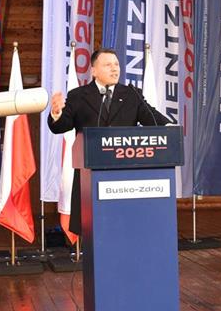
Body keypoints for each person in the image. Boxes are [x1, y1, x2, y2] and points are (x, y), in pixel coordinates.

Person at [47, 48, 169, 236]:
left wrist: (171, 128)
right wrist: (56, 114)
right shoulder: (78, 95)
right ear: (94, 71)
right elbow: (61, 126)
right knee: (92, 230)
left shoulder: (131, 94)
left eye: (116, 64)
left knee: (123, 229)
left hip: (123, 175)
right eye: (108, 65)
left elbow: (152, 118)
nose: (114, 69)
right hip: (89, 174)